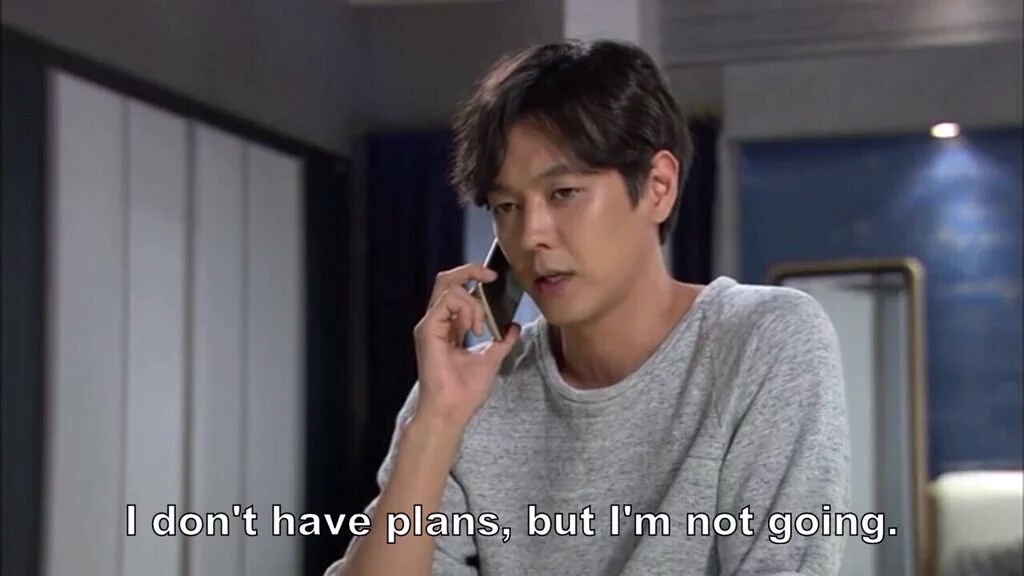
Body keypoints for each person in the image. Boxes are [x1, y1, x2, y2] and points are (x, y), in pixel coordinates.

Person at [326, 39, 851, 576]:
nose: (531, 234)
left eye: (564, 193)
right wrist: (436, 421)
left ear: (659, 187)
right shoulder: (467, 393)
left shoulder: (764, 341)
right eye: (507, 206)